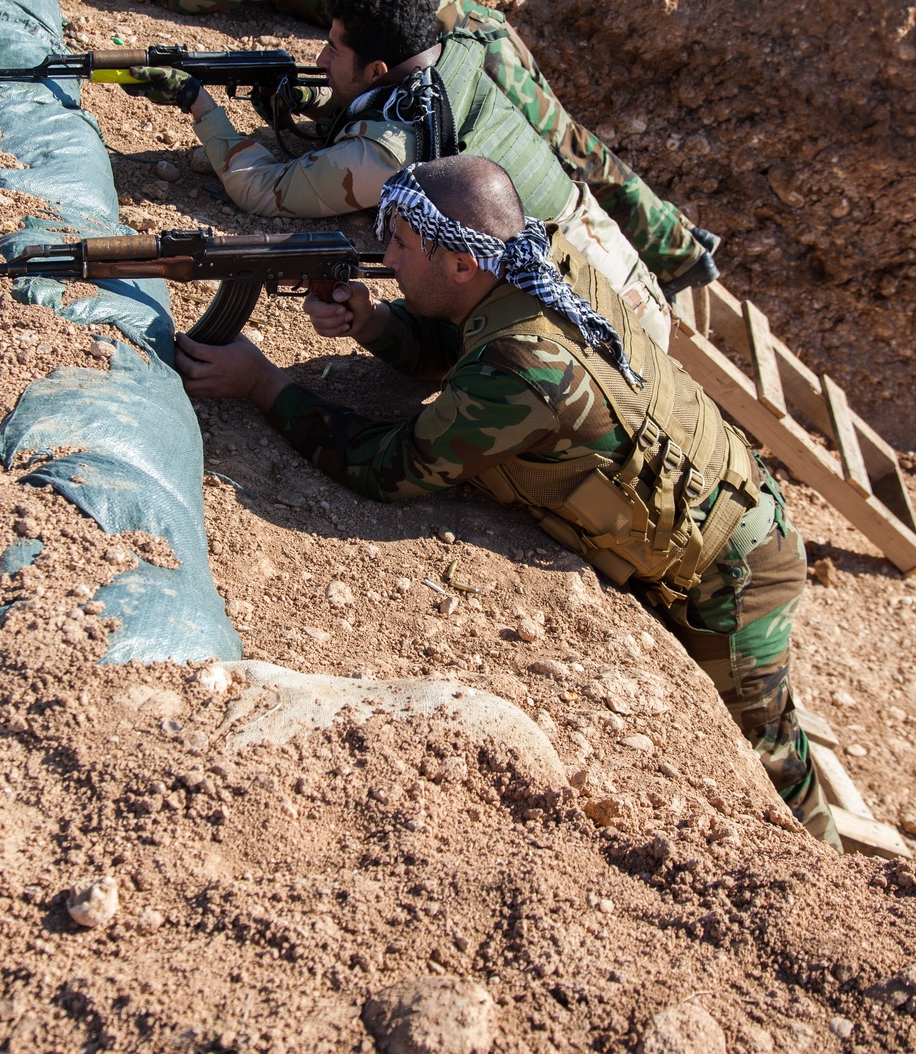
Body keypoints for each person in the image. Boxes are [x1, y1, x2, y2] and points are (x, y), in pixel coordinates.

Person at [174, 155, 839, 849]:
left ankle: (835, 869)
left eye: (401, 245)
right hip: (722, 509)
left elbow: (391, 468)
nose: (386, 258)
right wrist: (375, 324)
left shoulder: (525, 368)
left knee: (770, 754)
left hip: (734, 575)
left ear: (463, 263)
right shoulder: (537, 261)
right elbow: (461, 342)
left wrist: (263, 386)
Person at [107, 0, 718, 303]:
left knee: (573, 153)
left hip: (467, 47)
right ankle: (669, 246)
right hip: (457, 31)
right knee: (570, 153)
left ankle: (679, 254)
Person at [133, 0, 674, 347]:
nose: (320, 61)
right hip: (620, 264)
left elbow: (258, 188)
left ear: (376, 68)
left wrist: (198, 102)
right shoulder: (449, 64)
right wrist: (313, 102)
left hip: (599, 317)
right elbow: (384, 102)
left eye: (334, 52)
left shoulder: (386, 154)